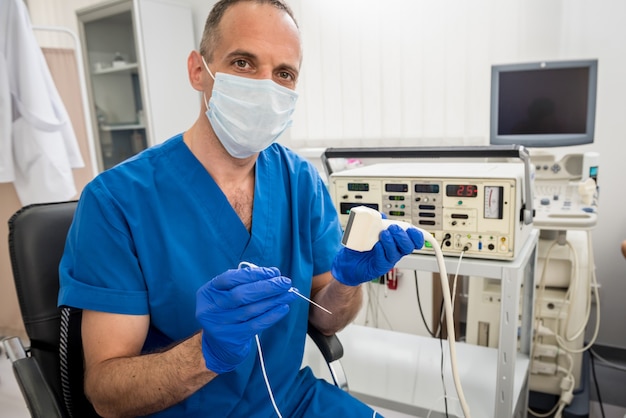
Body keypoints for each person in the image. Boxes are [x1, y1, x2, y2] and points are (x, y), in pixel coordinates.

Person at [58, 1, 424, 417]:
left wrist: (346, 284)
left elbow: (325, 321)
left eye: (283, 73)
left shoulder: (301, 182)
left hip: (291, 402)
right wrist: (206, 352)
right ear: (199, 70)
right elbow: (106, 393)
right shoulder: (117, 201)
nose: (266, 87)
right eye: (244, 63)